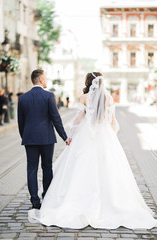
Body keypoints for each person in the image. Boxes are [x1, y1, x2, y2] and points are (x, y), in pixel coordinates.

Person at [28, 72, 157, 229]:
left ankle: (76, 202)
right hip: (105, 137)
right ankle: (111, 203)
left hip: (86, 136)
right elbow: (113, 122)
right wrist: (110, 135)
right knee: (109, 169)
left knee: (79, 168)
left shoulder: (84, 98)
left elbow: (78, 119)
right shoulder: (108, 98)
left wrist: (71, 133)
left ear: (88, 82)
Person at [17, 69, 71, 210]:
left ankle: (35, 201)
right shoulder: (48, 96)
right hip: (46, 138)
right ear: (40, 80)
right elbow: (56, 118)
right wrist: (64, 137)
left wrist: (26, 137)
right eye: (45, 78)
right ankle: (46, 196)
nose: (46, 80)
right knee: (47, 167)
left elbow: (20, 122)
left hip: (30, 139)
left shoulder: (22, 98)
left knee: (32, 168)